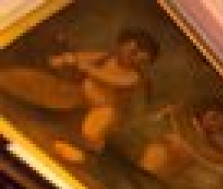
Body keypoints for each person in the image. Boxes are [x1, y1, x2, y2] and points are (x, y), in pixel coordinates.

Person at [0, 27, 161, 166]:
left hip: (100, 110)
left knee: (92, 130)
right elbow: (80, 57)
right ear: (121, 45)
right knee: (39, 85)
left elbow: (108, 78)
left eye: (139, 59)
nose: (132, 58)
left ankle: (80, 152)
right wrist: (64, 59)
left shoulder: (133, 77)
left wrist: (81, 65)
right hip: (77, 96)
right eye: (131, 51)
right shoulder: (105, 57)